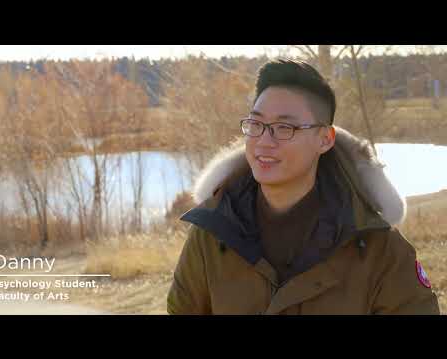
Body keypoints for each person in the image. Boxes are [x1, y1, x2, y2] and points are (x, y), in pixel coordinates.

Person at [167, 59, 440, 315]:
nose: (264, 141)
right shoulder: (212, 234)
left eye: (284, 127)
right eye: (256, 124)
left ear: (325, 139)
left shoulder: (376, 248)